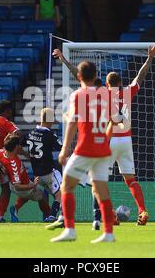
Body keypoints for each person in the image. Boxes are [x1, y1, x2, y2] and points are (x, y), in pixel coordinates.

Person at [53, 40, 155, 226]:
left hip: (108, 141)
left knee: (100, 180)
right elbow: (140, 76)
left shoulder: (101, 93)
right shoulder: (128, 91)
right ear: (120, 82)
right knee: (131, 180)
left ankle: (108, 214)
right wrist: (150, 58)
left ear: (107, 83)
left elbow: (81, 79)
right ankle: (142, 211)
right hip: (126, 141)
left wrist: (63, 59)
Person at [51, 61, 115, 243]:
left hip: (85, 148)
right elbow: (114, 119)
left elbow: (72, 123)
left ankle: (70, 229)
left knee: (66, 186)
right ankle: (108, 233)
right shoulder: (106, 95)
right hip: (102, 148)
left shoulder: (78, 95)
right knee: (101, 191)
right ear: (95, 76)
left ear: (79, 76)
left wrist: (64, 150)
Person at [0, 134, 51, 222]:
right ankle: (48, 217)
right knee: (43, 195)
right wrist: (33, 185)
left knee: (28, 195)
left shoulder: (1, 152)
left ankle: (15, 208)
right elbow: (17, 186)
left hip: (17, 183)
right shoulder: (14, 164)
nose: (21, 146)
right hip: (22, 187)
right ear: (16, 146)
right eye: (19, 145)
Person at [22, 108, 63, 223]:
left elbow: (19, 143)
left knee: (42, 196)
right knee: (61, 194)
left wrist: (26, 155)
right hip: (48, 173)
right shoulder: (49, 135)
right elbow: (62, 148)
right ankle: (54, 215)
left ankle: (16, 208)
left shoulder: (30, 133)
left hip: (36, 176)